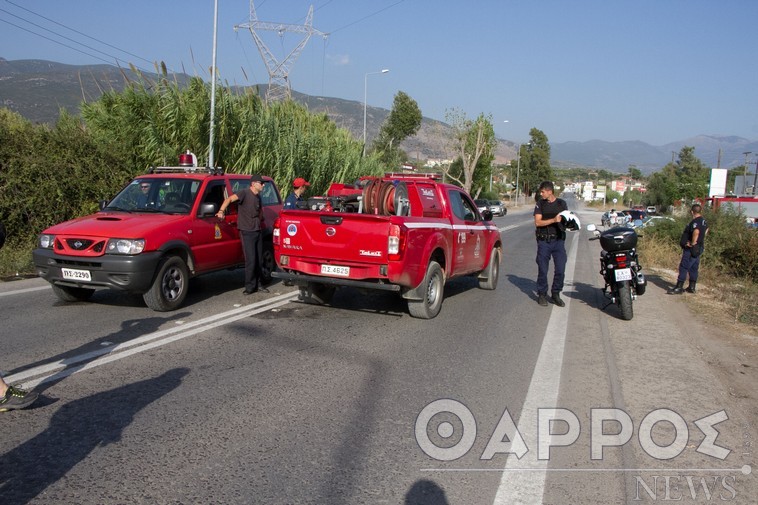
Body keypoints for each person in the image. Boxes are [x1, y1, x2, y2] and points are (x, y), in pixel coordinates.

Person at [217, 175, 269, 295]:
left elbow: (260, 210)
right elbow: (228, 200)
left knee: (259, 259)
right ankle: (250, 287)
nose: (263, 185)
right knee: (250, 260)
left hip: (257, 230)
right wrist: (221, 211)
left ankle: (259, 284)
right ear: (254, 184)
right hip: (247, 231)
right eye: (261, 183)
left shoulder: (258, 197)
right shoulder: (244, 193)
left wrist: (261, 218)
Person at [534, 181, 569, 307]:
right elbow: (538, 222)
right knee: (543, 269)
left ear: (550, 191)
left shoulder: (561, 204)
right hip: (544, 241)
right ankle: (542, 294)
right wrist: (553, 220)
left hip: (558, 241)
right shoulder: (540, 204)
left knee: (560, 268)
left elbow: (566, 220)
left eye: (543, 191)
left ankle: (555, 294)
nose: (541, 194)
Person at [670, 203, 708, 294]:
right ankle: (692, 287)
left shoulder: (695, 222)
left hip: (692, 248)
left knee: (684, 266)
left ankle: (679, 287)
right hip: (699, 247)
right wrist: (700, 240)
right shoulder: (703, 221)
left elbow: (696, 231)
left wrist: (693, 242)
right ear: (700, 211)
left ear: (692, 212)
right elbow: (706, 230)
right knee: (694, 267)